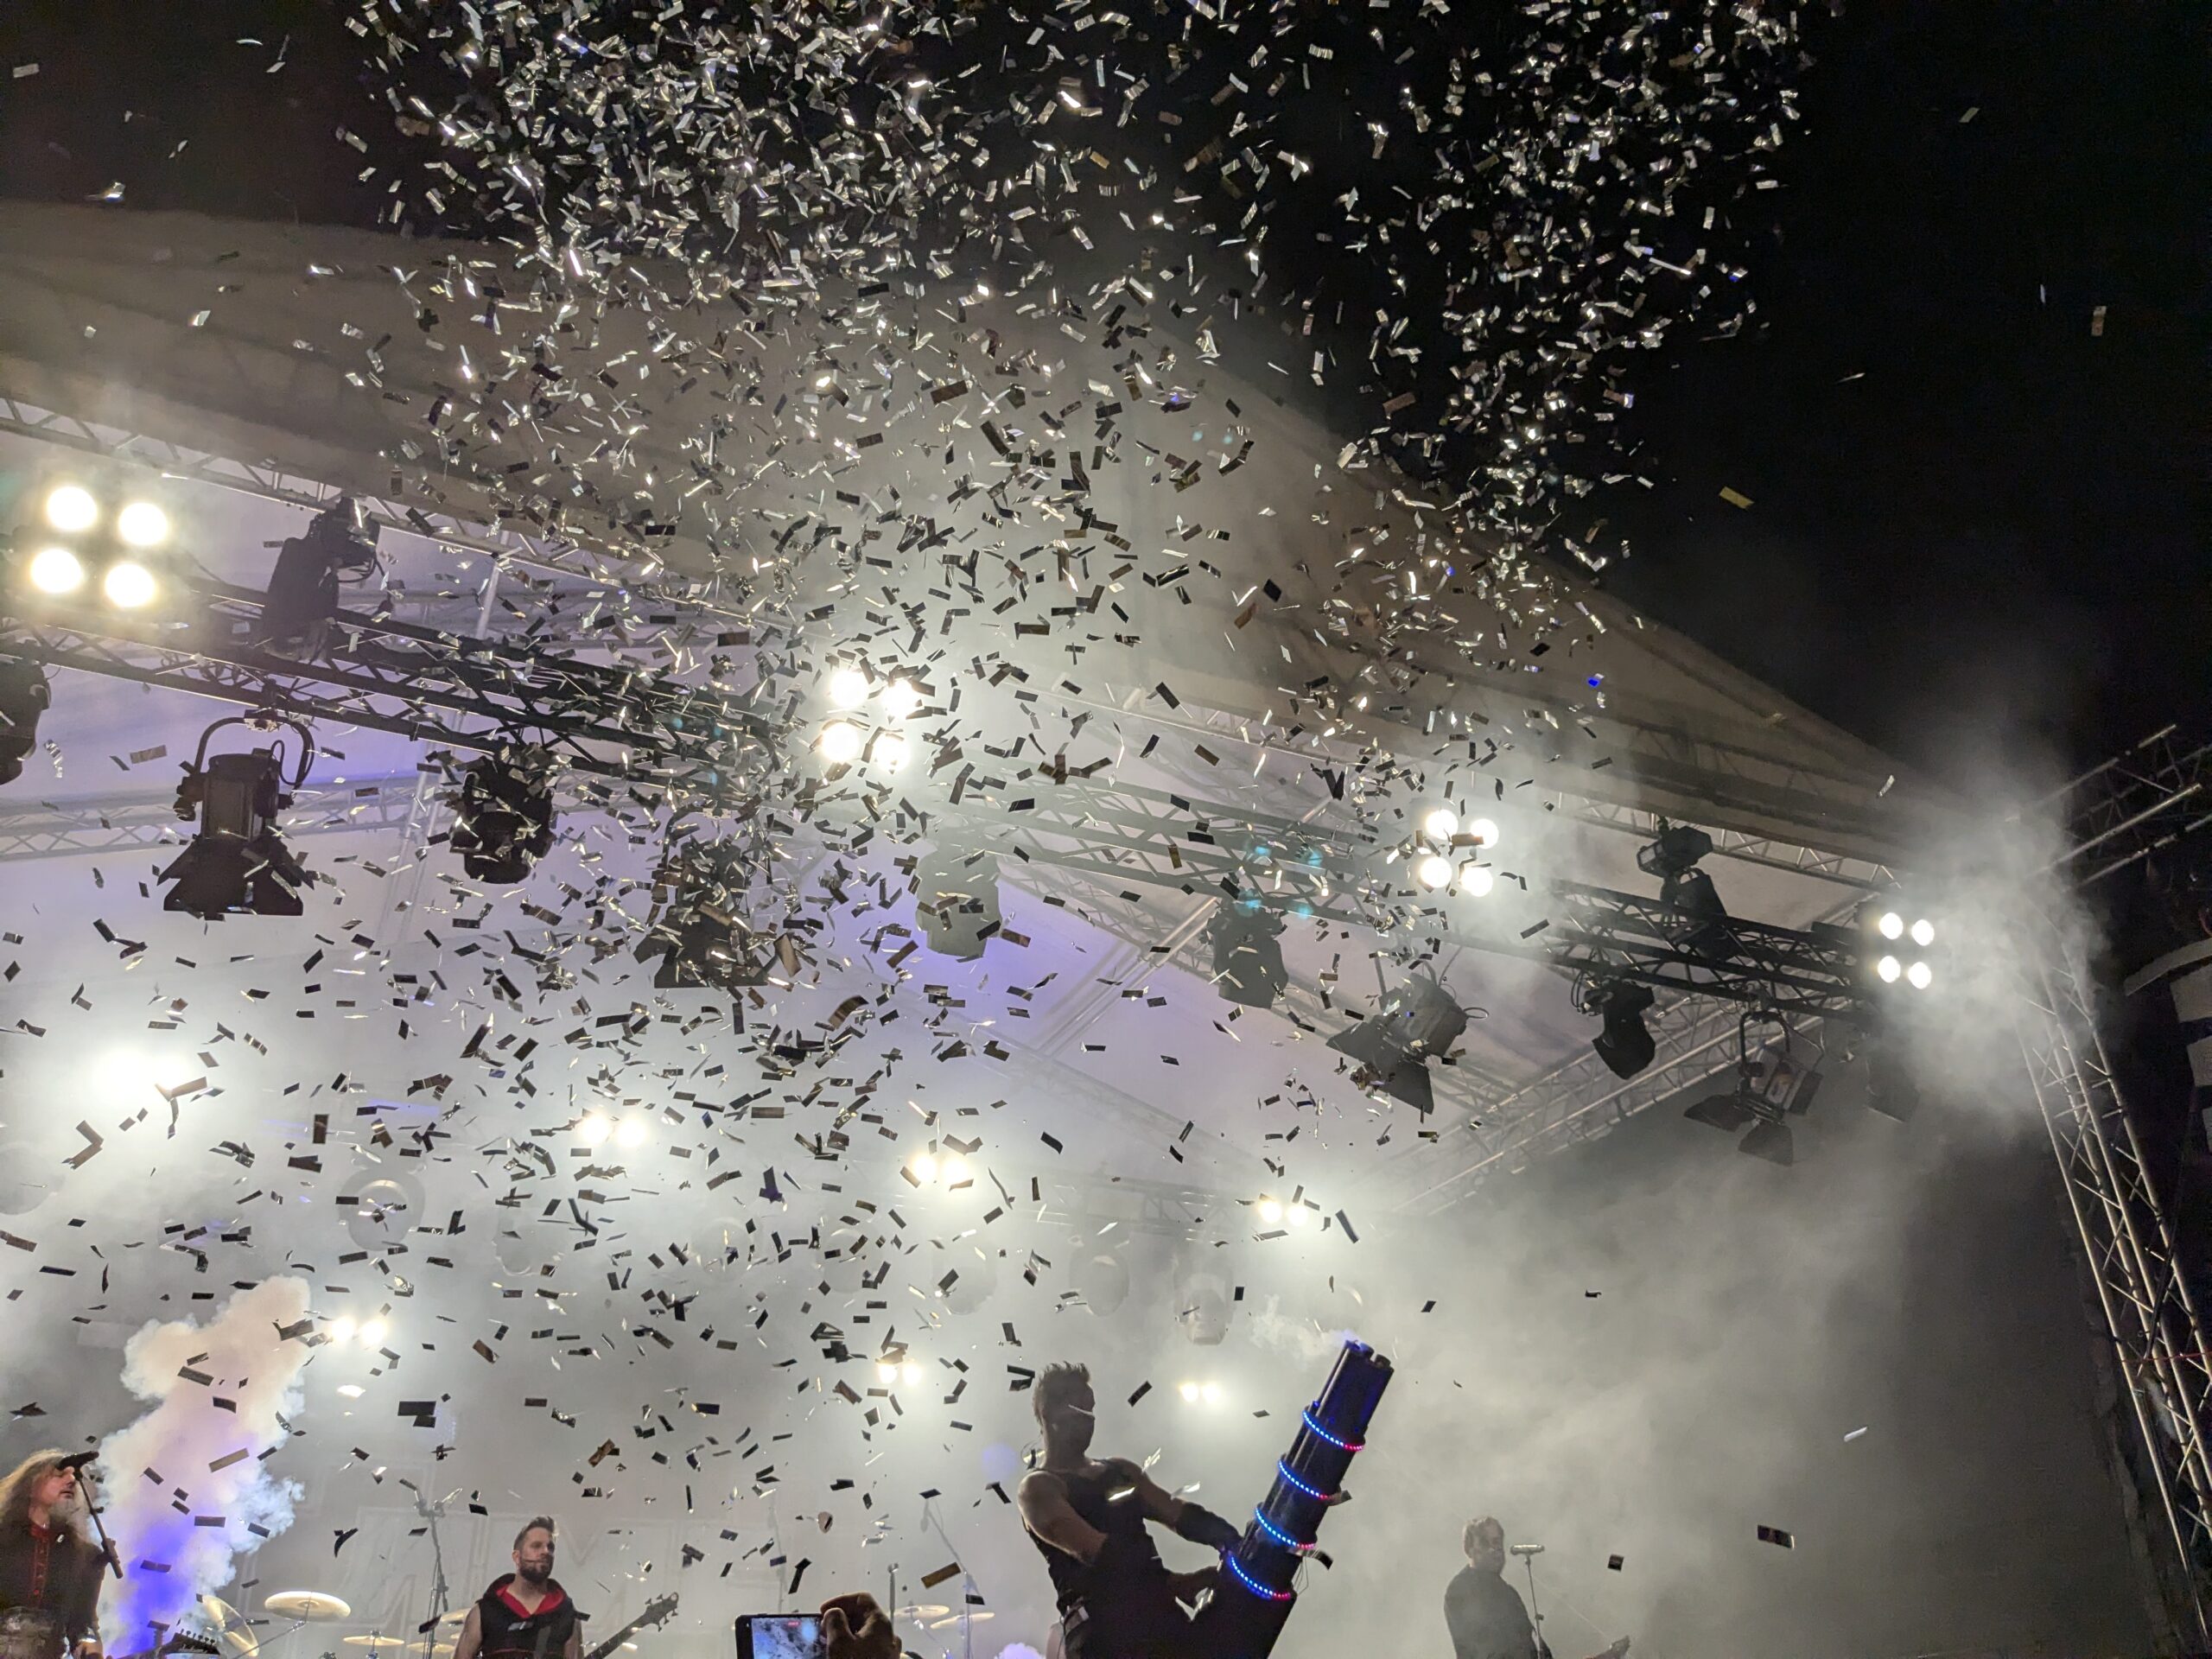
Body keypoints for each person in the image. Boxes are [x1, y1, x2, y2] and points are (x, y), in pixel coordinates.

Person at [1016, 1363, 1236, 1659]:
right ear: (1050, 1413)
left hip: (1160, 1616)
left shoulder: (1121, 1470)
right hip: (1103, 1634)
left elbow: (1176, 1512)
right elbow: (1097, 1553)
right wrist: (1172, 1582)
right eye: (1080, 1409)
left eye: (1091, 1409)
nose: (1089, 1419)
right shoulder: (1038, 1489)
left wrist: (1231, 1540)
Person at [1445, 1518, 1627, 1659]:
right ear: (1468, 1549)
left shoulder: (1508, 1592)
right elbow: (1484, 1650)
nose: (1496, 1549)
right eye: (1486, 1543)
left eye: (1498, 1542)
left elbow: (1531, 1645)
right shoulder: (1460, 1591)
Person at [0, 1452, 103, 1659]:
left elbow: (83, 1621)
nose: (71, 1480)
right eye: (59, 1474)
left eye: (74, 1475)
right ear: (30, 1485)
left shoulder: (85, 1555)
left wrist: (89, 1644)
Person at [454, 1519, 581, 1659]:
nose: (545, 1551)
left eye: (550, 1547)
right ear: (517, 1557)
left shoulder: (566, 1614)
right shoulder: (485, 1611)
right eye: (536, 1546)